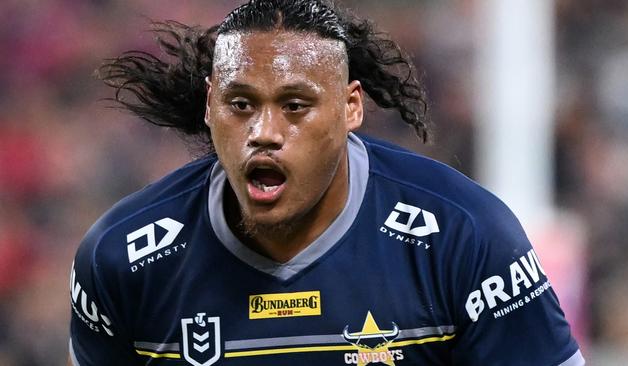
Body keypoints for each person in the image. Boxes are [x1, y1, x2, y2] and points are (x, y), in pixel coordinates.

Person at [68, 1, 584, 365]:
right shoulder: (122, 259)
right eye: (240, 104)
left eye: (295, 106)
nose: (263, 133)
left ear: (350, 107)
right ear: (210, 105)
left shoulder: (465, 237)